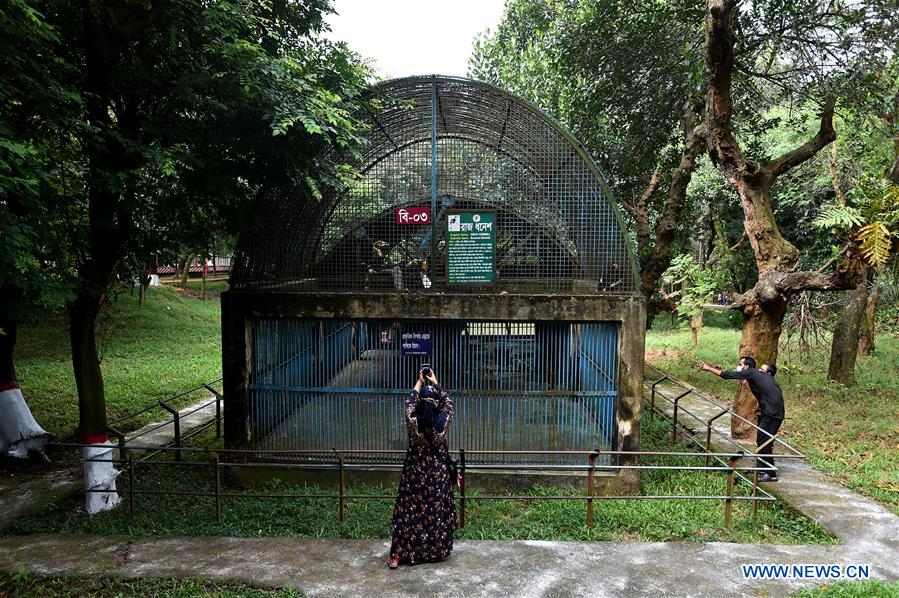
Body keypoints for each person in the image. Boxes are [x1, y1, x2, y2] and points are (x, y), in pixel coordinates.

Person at [388, 367, 456, 568]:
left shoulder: (413, 421)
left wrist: (419, 382)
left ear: (419, 404)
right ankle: (432, 552)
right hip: (437, 476)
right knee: (434, 515)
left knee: (407, 512)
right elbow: (449, 404)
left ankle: (397, 555)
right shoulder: (442, 422)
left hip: (414, 475)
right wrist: (435, 382)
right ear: (436, 405)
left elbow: (408, 403)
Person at [699, 357, 785, 482]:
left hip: (772, 414)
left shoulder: (752, 372)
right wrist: (760, 406)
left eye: (740, 365)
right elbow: (766, 393)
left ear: (747, 367)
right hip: (768, 411)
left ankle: (771, 474)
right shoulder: (762, 378)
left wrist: (709, 368)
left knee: (764, 441)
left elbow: (727, 375)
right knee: (761, 441)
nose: (738, 367)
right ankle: (760, 468)